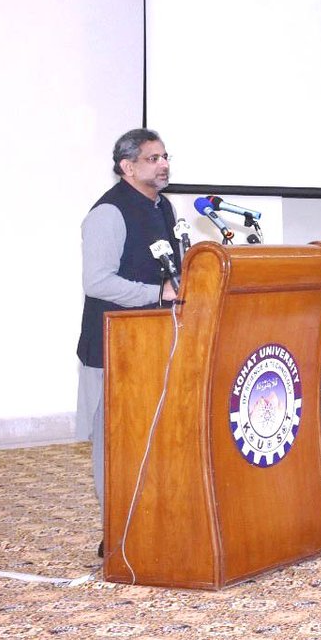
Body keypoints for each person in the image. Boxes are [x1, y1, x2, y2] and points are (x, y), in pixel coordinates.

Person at [76, 129, 180, 554]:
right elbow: (97, 282)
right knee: (115, 443)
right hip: (112, 349)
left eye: (165, 156)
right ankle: (118, 535)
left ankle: (155, 525)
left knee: (157, 439)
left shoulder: (163, 208)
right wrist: (158, 294)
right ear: (127, 166)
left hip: (157, 344)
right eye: (153, 158)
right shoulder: (109, 213)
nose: (164, 164)